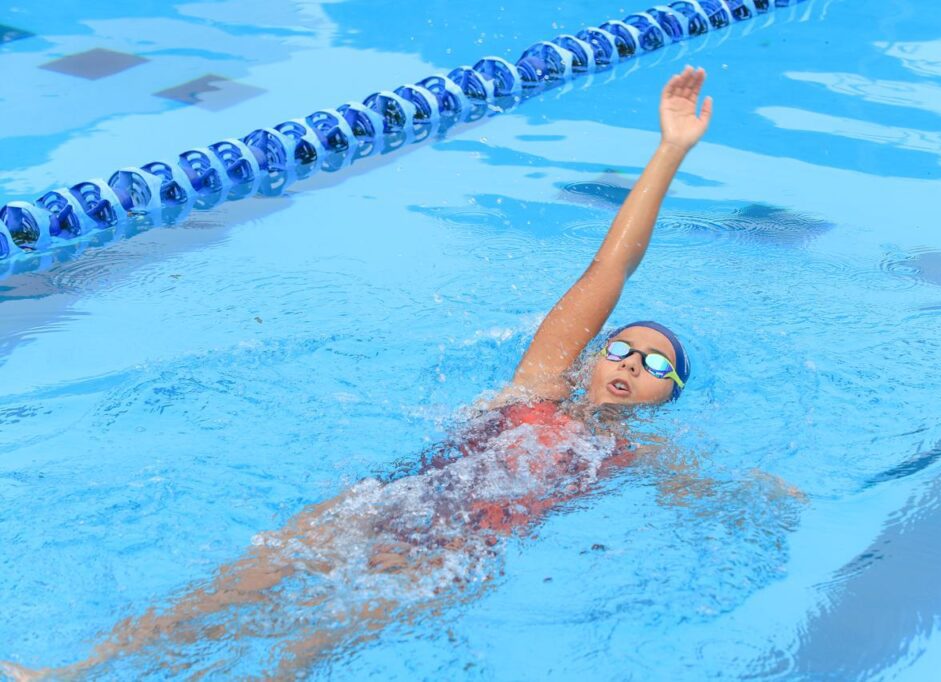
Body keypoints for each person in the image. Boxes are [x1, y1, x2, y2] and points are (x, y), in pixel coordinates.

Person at [1, 65, 714, 680]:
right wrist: (668, 152)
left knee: (305, 644)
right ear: (593, 356)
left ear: (668, 396)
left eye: (656, 366)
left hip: (457, 557)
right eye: (622, 347)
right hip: (387, 500)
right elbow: (610, 267)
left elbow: (703, 500)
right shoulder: (540, 382)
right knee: (225, 592)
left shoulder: (635, 453)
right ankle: (75, 671)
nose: (630, 363)